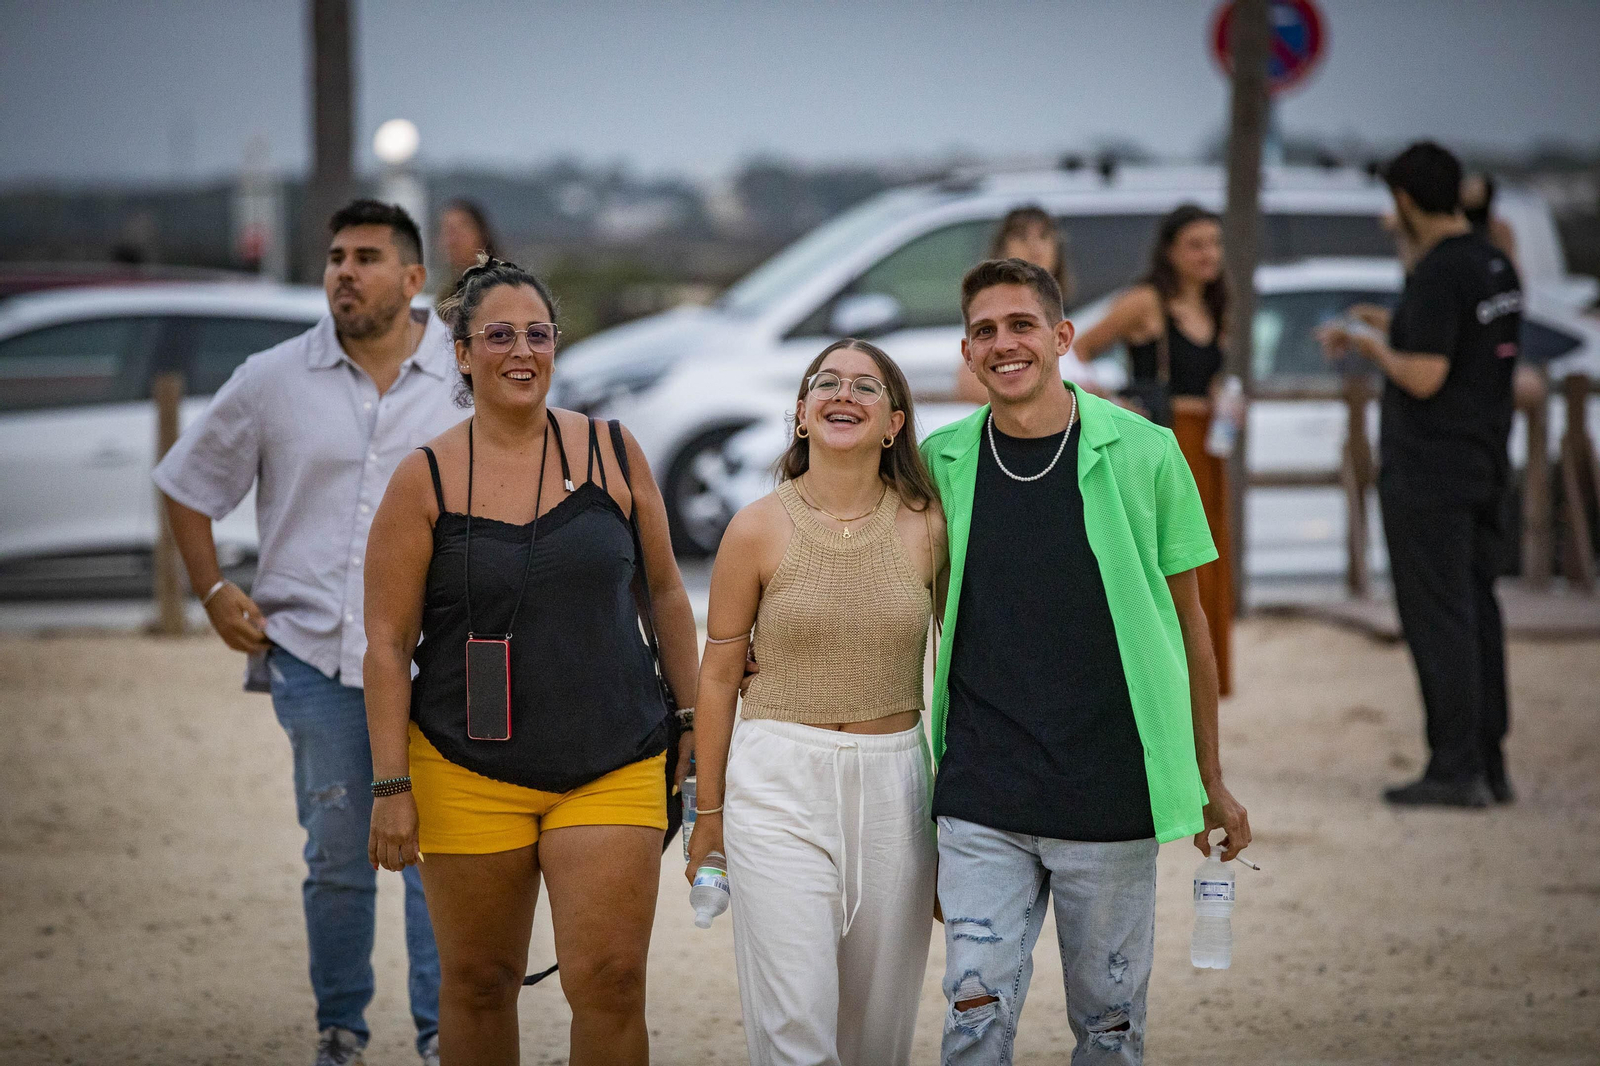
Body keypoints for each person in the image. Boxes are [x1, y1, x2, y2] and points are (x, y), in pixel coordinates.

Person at [362, 256, 699, 1065]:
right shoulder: (424, 479)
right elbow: (384, 645)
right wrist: (389, 786)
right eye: (500, 335)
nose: (523, 351)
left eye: (538, 334)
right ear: (462, 353)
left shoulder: (617, 453)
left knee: (612, 978)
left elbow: (667, 595)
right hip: (463, 766)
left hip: (615, 757)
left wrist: (693, 723)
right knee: (480, 981)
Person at [926, 257, 1251, 1064]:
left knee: (1109, 1032)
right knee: (972, 1014)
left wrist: (1211, 779)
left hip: (1108, 792)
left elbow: (1192, 627)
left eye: (1022, 325)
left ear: (1063, 336)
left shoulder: (1146, 454)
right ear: (967, 353)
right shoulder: (940, 464)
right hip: (980, 795)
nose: (1005, 344)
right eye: (985, 331)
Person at [154, 200, 455, 1066]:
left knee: (441, 851)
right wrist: (210, 589)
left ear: (412, 278)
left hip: (436, 664)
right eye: (334, 257)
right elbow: (186, 482)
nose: (344, 273)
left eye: (366, 257)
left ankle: (442, 1035)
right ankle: (342, 1031)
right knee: (337, 851)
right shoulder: (271, 378)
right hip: (315, 658)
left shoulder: (464, 379)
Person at [687, 338, 946, 1066]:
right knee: (795, 1029)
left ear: (894, 422)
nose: (843, 395)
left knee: (877, 1037)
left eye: (866, 387)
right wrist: (707, 816)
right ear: (800, 414)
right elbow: (716, 677)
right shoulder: (756, 527)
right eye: (825, 383)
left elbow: (957, 674)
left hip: (895, 783)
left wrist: (960, 817)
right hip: (777, 782)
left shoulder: (929, 527)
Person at [1319, 142, 1521, 808]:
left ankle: (1454, 766)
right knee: (1477, 610)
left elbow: (1426, 374)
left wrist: (1374, 347)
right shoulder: (1494, 262)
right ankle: (1489, 761)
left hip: (1431, 471)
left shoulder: (1439, 271)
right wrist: (1386, 321)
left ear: (1404, 200)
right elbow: (1451, 341)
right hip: (1486, 460)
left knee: (1439, 618)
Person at [1074, 204, 1234, 695]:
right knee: (1170, 555)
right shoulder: (1146, 301)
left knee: (1209, 554)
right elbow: (1077, 348)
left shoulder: (1217, 303)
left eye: (1214, 243)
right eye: (1196, 244)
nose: (1209, 254)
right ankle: (1167, 670)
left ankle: (1210, 675)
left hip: (1211, 441)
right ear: (1170, 251)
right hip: (1166, 437)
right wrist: (1116, 401)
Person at [956, 205, 1076, 403]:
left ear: (1063, 335)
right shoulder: (984, 310)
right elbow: (968, 385)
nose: (1035, 248)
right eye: (1022, 237)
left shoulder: (1081, 315)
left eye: (1044, 237)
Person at [435, 199, 500, 300]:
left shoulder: (500, 286)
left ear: (481, 234)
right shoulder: (446, 293)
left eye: (460, 230)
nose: (453, 241)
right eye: (447, 231)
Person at [1460, 171, 1519, 266]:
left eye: (1472, 189)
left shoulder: (1497, 228)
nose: (1467, 192)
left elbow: (1509, 261)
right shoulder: (1458, 225)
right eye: (1467, 188)